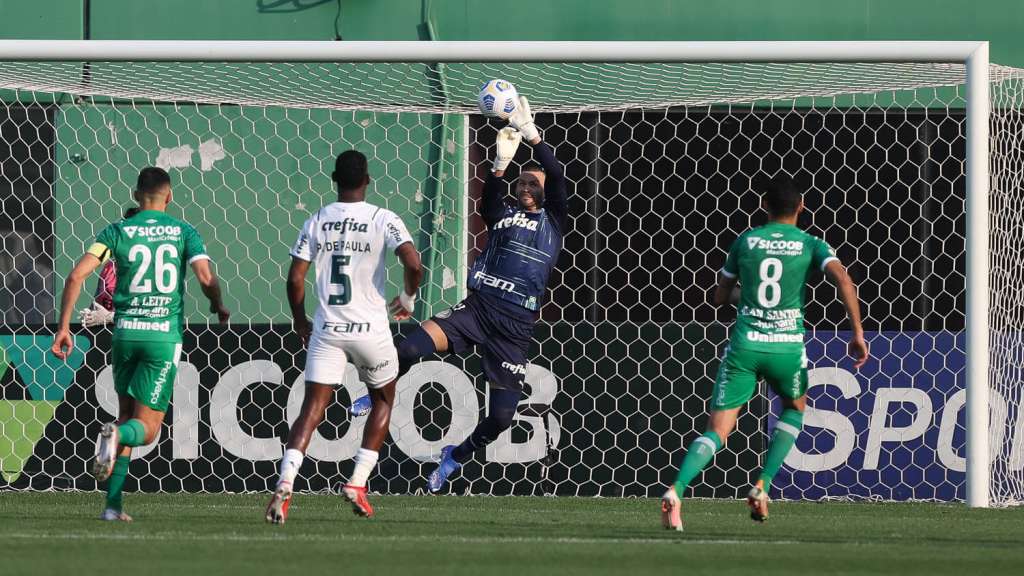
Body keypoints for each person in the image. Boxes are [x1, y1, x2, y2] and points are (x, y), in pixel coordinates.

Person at [349, 95, 568, 493]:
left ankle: (455, 456)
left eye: (533, 182)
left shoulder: (554, 220)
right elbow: (487, 201)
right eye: (522, 182)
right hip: (479, 307)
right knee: (412, 347)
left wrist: (533, 136)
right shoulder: (504, 214)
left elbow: (556, 174)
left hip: (515, 326)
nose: (526, 186)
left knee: (502, 416)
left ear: (546, 191)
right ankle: (376, 391)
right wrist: (500, 167)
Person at [660, 174, 869, 531]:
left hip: (745, 346)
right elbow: (845, 280)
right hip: (786, 348)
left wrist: (749, 298)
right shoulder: (810, 243)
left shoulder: (745, 242)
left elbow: (720, 297)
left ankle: (677, 490)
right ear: (801, 208)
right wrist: (858, 332)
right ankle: (762, 484)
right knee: (794, 408)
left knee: (718, 430)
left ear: (763, 206)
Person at [51, 167, 229, 521]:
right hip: (162, 338)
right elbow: (206, 277)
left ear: (136, 196)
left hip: (125, 335)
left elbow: (75, 275)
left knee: (126, 416)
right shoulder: (183, 231)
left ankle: (113, 507)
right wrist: (216, 303)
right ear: (170, 196)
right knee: (145, 430)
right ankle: (115, 436)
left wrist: (64, 328)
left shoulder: (117, 231)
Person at [265, 150, 422, 524]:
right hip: (371, 331)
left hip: (329, 329)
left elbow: (294, 278)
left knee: (312, 409)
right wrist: (408, 298)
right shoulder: (384, 218)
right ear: (368, 180)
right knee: (383, 399)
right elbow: (414, 263)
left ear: (334, 179)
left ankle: (285, 482)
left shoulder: (318, 219)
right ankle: (357, 482)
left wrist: (300, 320)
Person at [77, 207, 141, 328]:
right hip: (104, 335)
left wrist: (109, 317)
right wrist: (91, 315)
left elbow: (147, 316)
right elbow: (97, 301)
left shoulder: (147, 270)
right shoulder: (109, 267)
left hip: (131, 335)